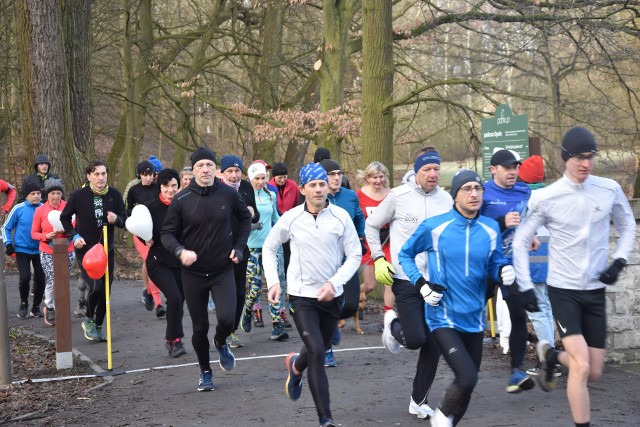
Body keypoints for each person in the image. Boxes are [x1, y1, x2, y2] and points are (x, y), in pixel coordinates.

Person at [513, 127, 636, 427]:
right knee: (580, 365)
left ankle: (552, 356)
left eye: (590, 157)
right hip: (563, 290)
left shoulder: (608, 189)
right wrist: (526, 286)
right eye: (579, 157)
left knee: (593, 372)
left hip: (594, 292)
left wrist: (619, 261)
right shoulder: (546, 197)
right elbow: (520, 240)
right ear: (566, 157)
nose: (586, 164)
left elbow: (628, 225)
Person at [398, 169, 515, 427]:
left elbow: (495, 262)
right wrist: (421, 284)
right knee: (467, 377)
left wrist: (503, 269)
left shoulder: (491, 228)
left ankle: (446, 421)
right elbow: (405, 255)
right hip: (443, 317)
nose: (474, 194)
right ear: (455, 196)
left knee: (467, 389)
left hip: (475, 319)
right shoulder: (435, 227)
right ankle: (439, 418)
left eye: (478, 188)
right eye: (466, 189)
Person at [263, 162, 361, 427]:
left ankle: (296, 366)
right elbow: (269, 248)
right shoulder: (291, 218)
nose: (319, 190)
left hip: (332, 297)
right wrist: (274, 281)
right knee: (318, 351)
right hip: (300, 296)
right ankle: (325, 419)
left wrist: (335, 282)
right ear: (303, 189)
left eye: (322, 184)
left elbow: (354, 255)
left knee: (317, 347)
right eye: (313, 185)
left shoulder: (341, 217)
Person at [366, 149, 452, 419]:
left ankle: (418, 400)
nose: (433, 174)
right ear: (416, 172)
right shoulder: (398, 197)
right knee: (415, 339)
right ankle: (392, 324)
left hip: (436, 282)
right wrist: (379, 258)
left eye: (436, 169)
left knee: (434, 343)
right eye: (427, 170)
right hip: (406, 278)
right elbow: (371, 225)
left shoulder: (447, 199)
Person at [161, 147, 252, 392]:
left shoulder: (229, 195)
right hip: (194, 273)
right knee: (199, 327)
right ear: (194, 169)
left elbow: (245, 220)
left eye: (209, 165)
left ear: (216, 170)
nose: (205, 169)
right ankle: (205, 371)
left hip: (223, 268)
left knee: (226, 318)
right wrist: (180, 251)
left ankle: (221, 341)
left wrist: (239, 247)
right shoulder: (181, 200)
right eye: (200, 165)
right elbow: (167, 234)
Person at [481, 149, 540, 393]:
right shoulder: (481, 192)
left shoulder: (524, 191)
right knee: (470, 309)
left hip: (510, 264)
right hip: (483, 262)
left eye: (515, 167)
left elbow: (526, 218)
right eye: (507, 167)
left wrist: (530, 233)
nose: (513, 172)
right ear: (493, 169)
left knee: (518, 314)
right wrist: (501, 223)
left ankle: (516, 371)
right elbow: (472, 226)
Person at [60, 160, 126, 342]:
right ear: (89, 176)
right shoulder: (78, 195)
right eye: (96, 174)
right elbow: (64, 218)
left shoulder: (114, 195)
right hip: (85, 249)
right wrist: (74, 236)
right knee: (96, 286)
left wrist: (117, 220)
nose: (100, 178)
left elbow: (124, 218)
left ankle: (97, 324)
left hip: (107, 250)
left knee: (106, 291)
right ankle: (89, 318)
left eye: (103, 174)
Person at [318, 158, 366, 367]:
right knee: (326, 303)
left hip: (348, 259)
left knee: (351, 305)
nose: (337, 177)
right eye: (332, 174)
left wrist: (361, 237)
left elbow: (359, 219)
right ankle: (327, 349)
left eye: (339, 173)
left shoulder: (350, 196)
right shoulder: (317, 197)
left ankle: (332, 324)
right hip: (325, 261)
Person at [516, 156, 560, 377]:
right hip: (551, 262)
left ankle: (548, 361)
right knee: (547, 310)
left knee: (538, 312)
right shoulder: (550, 195)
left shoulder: (525, 198)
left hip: (533, 262)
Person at [240, 161, 287, 340]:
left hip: (269, 248)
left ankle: (276, 325)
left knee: (274, 284)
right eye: (257, 178)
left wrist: (289, 225)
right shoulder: (243, 196)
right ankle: (248, 310)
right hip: (251, 248)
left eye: (263, 178)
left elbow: (275, 217)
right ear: (250, 178)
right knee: (255, 287)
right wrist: (252, 225)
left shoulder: (270, 195)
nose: (261, 182)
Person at [144, 168, 187, 358]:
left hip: (180, 262)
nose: (170, 190)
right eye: (166, 186)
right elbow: (136, 225)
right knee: (175, 298)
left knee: (179, 301)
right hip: (158, 262)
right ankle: (173, 340)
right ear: (159, 186)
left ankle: (175, 337)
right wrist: (145, 238)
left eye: (173, 186)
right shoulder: (150, 207)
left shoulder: (184, 205)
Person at [219, 155, 260, 348]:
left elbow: (255, 215)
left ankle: (232, 331)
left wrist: (252, 212)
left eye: (237, 171)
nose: (234, 175)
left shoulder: (246, 187)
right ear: (222, 173)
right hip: (219, 247)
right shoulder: (216, 189)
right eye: (230, 171)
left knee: (240, 293)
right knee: (224, 293)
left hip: (241, 247)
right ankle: (223, 330)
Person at [30, 178, 74, 326]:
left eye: (58, 193)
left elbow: (75, 228)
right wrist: (45, 236)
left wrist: (68, 231)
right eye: (53, 193)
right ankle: (49, 307)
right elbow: (34, 233)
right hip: (47, 249)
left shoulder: (68, 207)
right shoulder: (40, 210)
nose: (56, 196)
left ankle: (62, 307)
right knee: (53, 278)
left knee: (63, 279)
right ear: (47, 194)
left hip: (67, 248)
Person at [127, 160, 164, 317]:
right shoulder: (134, 190)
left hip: (157, 231)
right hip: (141, 233)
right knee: (149, 261)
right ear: (139, 175)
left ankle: (148, 291)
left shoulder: (159, 188)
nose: (148, 177)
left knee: (154, 262)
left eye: (150, 174)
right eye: (144, 174)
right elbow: (128, 210)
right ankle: (158, 303)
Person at [2, 182, 44, 318]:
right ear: (26, 196)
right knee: (25, 277)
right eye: (33, 194)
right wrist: (8, 244)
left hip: (40, 249)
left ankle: (36, 306)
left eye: (38, 193)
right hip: (22, 250)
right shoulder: (18, 209)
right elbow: (5, 227)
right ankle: (24, 303)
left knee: (41, 278)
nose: (36, 196)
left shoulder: (44, 208)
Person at [356, 161, 392, 314]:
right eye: (374, 177)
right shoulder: (358, 195)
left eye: (381, 177)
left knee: (390, 281)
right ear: (367, 178)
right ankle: (354, 296)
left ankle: (389, 316)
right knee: (370, 284)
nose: (378, 181)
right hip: (369, 243)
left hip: (388, 242)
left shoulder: (392, 194)